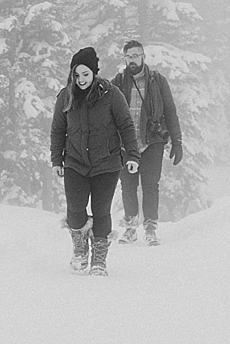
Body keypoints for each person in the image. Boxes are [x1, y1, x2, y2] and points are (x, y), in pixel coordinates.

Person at [51, 46, 140, 276]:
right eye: (77, 75)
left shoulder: (111, 95)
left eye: (85, 74)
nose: (81, 80)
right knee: (75, 209)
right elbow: (58, 130)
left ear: (94, 73)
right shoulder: (65, 96)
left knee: (101, 211)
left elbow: (126, 126)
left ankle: (99, 258)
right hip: (75, 162)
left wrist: (132, 155)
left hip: (106, 164)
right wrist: (56, 159)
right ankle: (80, 247)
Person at [110, 39, 183, 246]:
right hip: (126, 144)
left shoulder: (157, 81)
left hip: (152, 141)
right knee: (128, 186)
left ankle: (150, 228)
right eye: (128, 57)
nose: (132, 60)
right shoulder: (117, 82)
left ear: (143, 56)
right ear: (124, 59)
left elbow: (170, 111)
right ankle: (131, 228)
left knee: (151, 185)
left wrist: (176, 141)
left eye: (135, 55)